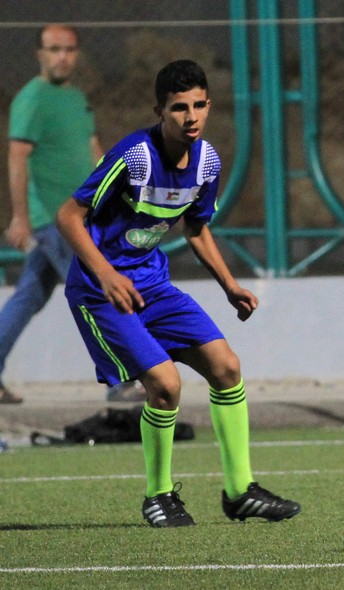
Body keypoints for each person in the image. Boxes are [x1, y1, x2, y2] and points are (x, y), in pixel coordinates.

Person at [56, 59, 300, 527]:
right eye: (179, 108)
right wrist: (106, 275)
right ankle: (158, 496)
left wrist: (229, 285)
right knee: (166, 385)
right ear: (160, 112)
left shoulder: (206, 162)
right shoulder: (134, 157)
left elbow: (196, 227)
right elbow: (69, 215)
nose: (191, 117)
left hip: (152, 284)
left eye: (199, 106)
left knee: (226, 367)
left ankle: (240, 491)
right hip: (100, 292)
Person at [1, 24, 143, 404]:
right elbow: (17, 157)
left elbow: (93, 151)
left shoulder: (76, 98)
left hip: (84, 217)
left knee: (29, 295)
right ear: (40, 54)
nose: (62, 56)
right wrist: (20, 217)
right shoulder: (32, 98)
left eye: (69, 49)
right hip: (57, 219)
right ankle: (120, 382)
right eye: (54, 49)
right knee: (99, 290)